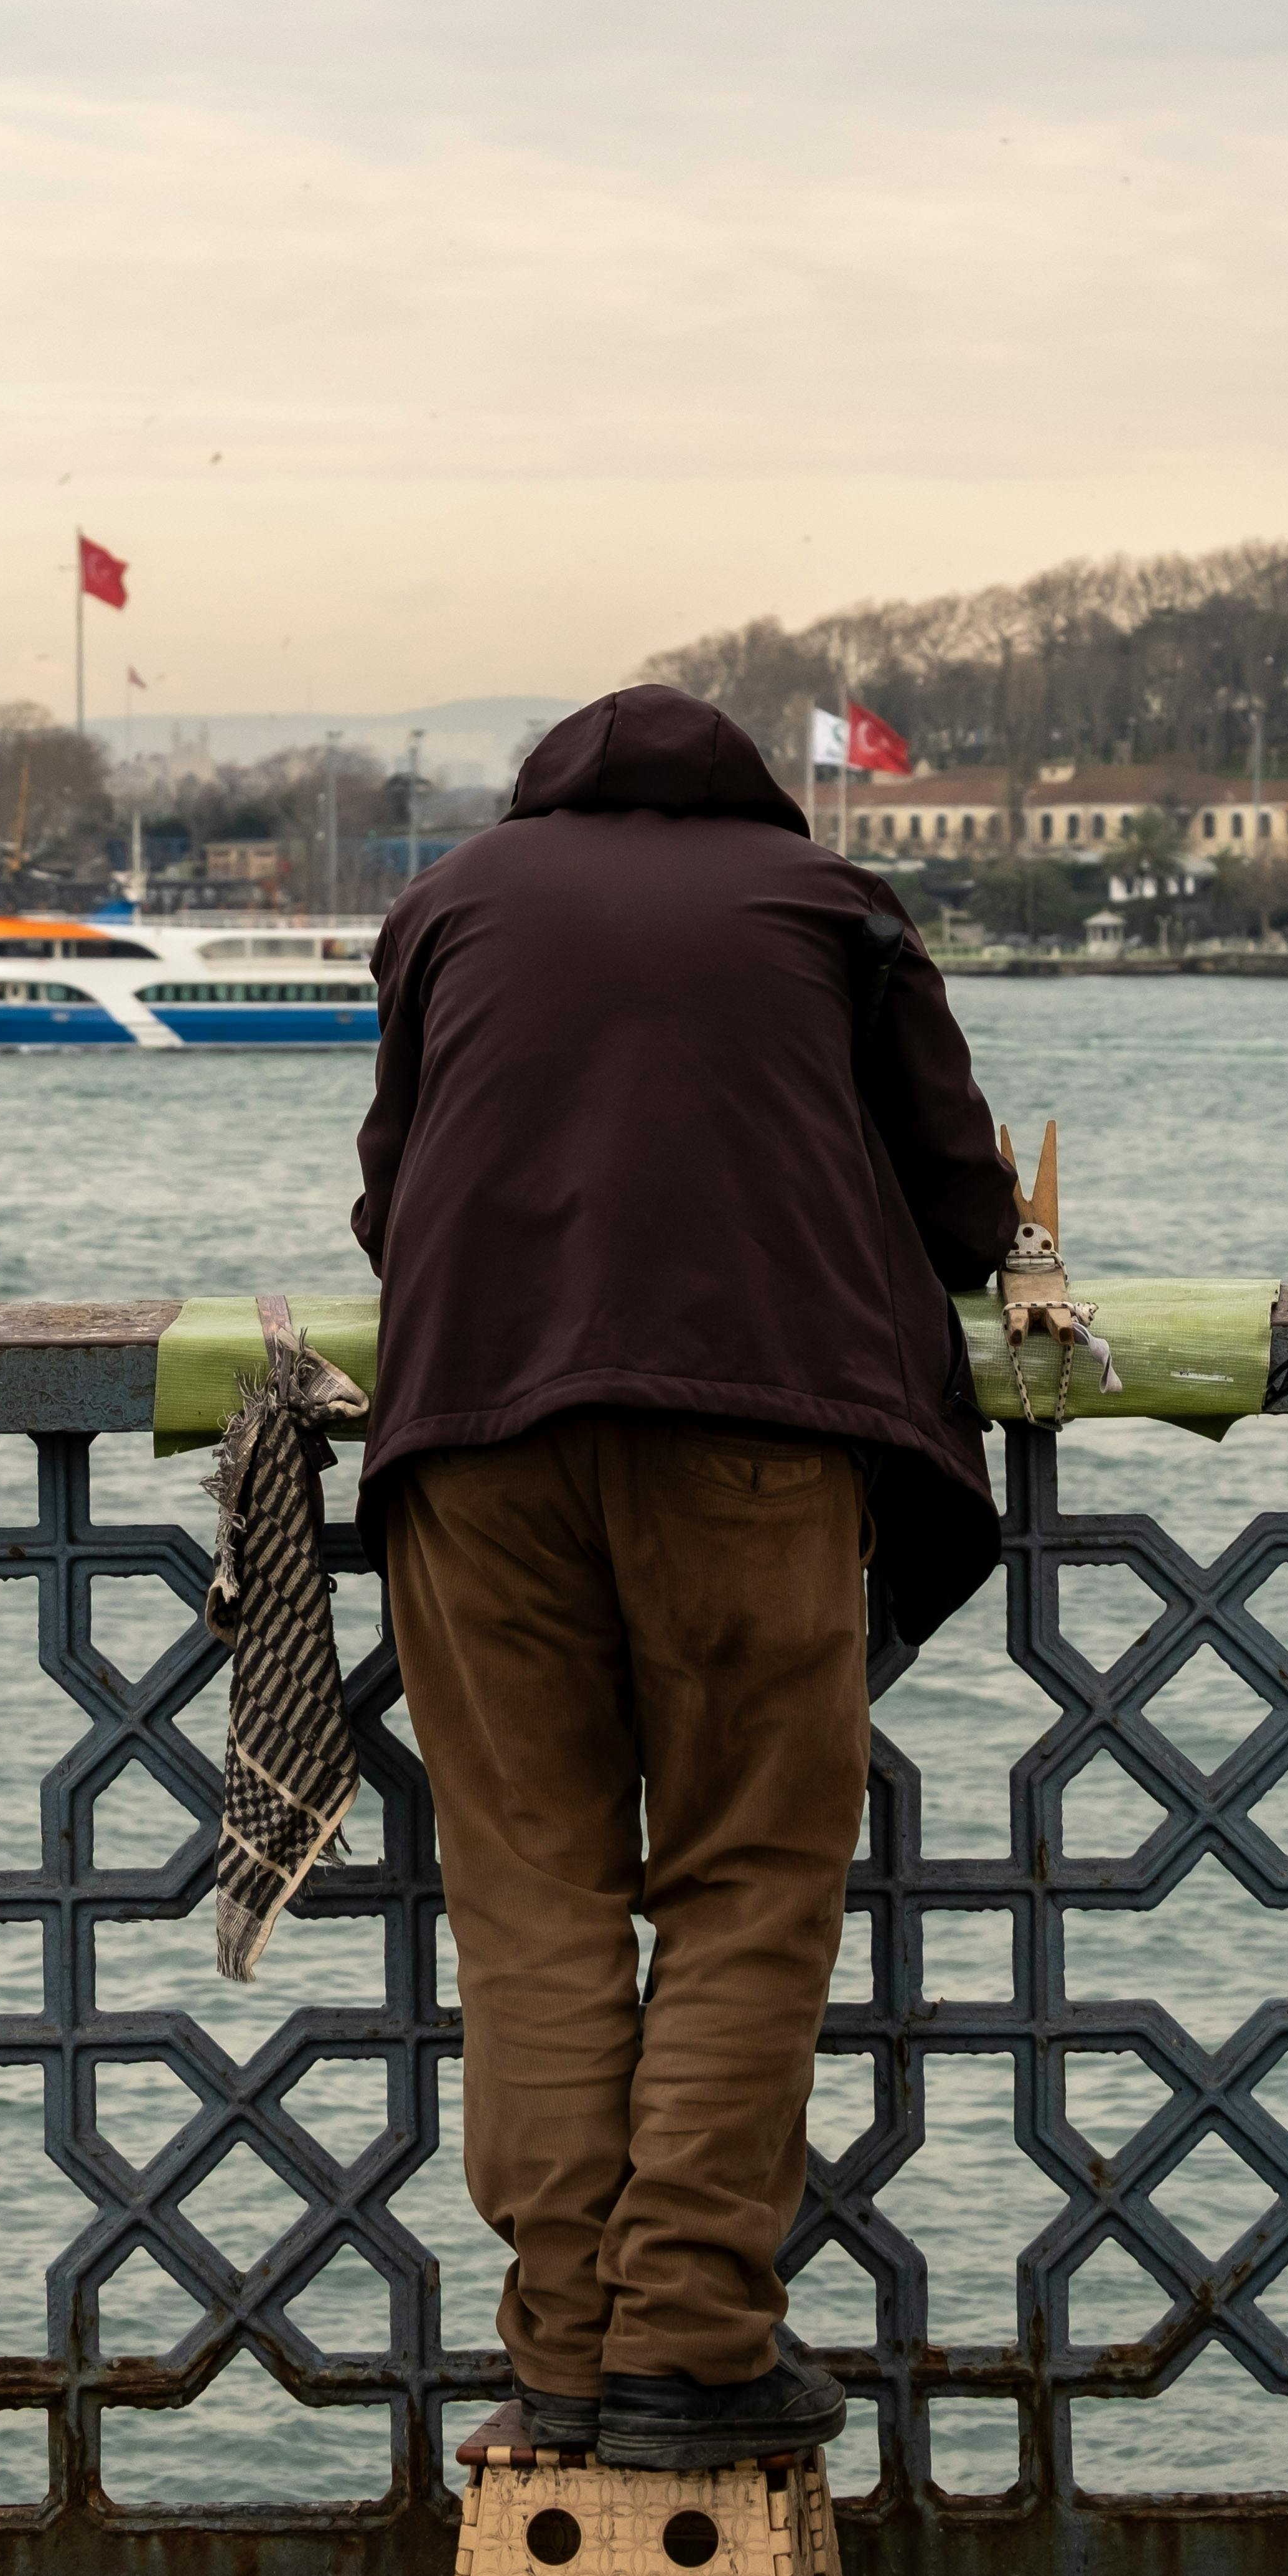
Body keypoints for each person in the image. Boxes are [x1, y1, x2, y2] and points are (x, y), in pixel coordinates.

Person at [352, 682, 1015, 2471]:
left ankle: (567, 2358)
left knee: (534, 1902)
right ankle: (691, 2340)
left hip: (471, 1433)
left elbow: (390, 1198)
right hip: (750, 1431)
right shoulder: (831, 908)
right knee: (744, 1879)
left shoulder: (448, 905)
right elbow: (967, 1214)